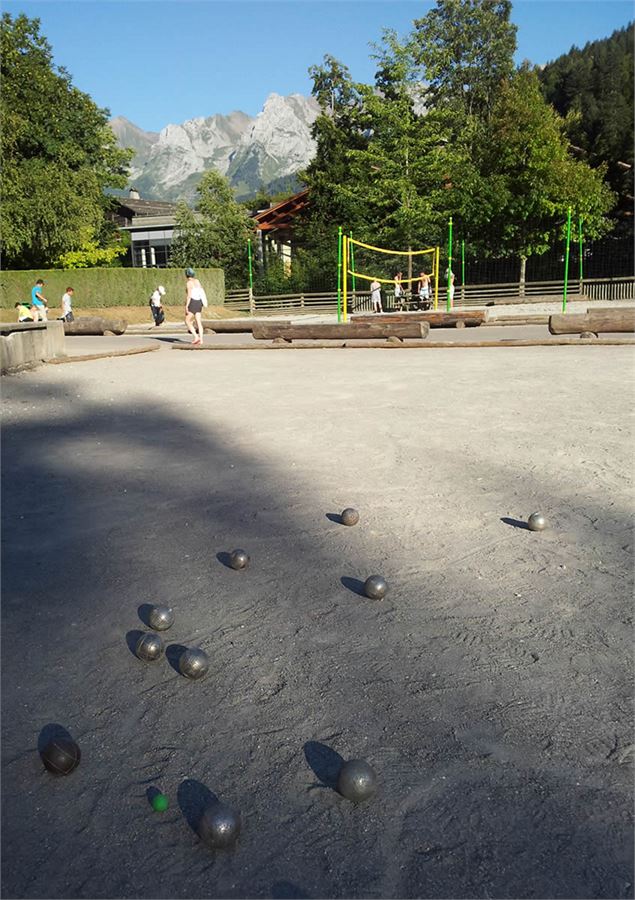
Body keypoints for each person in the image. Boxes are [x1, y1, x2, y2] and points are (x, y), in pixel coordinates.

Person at [184, 268, 206, 345]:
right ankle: (201, 339)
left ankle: (196, 337)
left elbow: (189, 296)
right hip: (199, 302)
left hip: (193, 302)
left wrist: (186, 306)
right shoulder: (197, 281)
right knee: (198, 322)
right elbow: (201, 291)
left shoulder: (189, 283)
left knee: (187, 320)